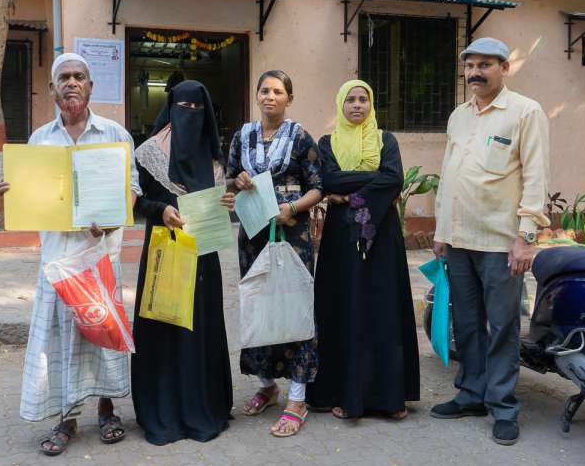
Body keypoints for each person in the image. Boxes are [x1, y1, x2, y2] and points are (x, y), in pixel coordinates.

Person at [0, 53, 141, 456]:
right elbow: (30, 194)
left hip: (100, 255)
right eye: (65, 77)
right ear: (52, 89)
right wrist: (16, 193)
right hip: (58, 260)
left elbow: (133, 188)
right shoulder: (40, 140)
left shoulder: (114, 134)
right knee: (61, 340)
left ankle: (108, 410)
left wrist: (113, 221)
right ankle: (66, 419)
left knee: (101, 336)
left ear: (91, 86)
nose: (72, 83)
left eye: (79, 77)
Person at [431, 37, 550, 446]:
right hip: (459, 240)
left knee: (501, 327)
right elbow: (448, 175)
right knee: (466, 324)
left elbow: (535, 178)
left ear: (505, 68)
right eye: (470, 66)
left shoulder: (525, 112)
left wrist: (526, 239)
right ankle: (471, 395)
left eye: (485, 65)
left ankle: (503, 406)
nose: (475, 73)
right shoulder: (458, 116)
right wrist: (440, 232)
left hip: (501, 242)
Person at [305, 80, 420, 420]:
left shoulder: (386, 140)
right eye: (350, 100)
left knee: (382, 307)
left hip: (382, 236)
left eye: (363, 100)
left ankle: (390, 397)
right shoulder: (327, 143)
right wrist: (361, 181)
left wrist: (349, 194)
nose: (357, 105)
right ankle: (345, 393)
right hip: (341, 240)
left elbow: (393, 179)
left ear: (371, 105)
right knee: (346, 308)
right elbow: (328, 180)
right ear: (340, 105)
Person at [132, 80, 235, 445]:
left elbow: (226, 200)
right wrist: (162, 209)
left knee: (199, 329)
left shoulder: (215, 159)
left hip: (204, 258)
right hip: (165, 252)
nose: (190, 116)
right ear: (170, 111)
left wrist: (229, 203)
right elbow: (135, 203)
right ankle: (164, 408)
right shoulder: (149, 153)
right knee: (165, 328)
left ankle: (202, 404)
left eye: (197, 109)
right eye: (182, 108)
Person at [227, 69, 323, 437]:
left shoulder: (300, 136)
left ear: (289, 98)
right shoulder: (242, 136)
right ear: (257, 96)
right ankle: (266, 384)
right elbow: (229, 179)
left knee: (294, 308)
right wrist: (237, 181)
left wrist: (293, 209)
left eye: (278, 91)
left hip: (291, 233)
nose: (270, 96)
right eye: (264, 90)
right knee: (259, 306)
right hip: (252, 233)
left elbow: (319, 186)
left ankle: (297, 397)